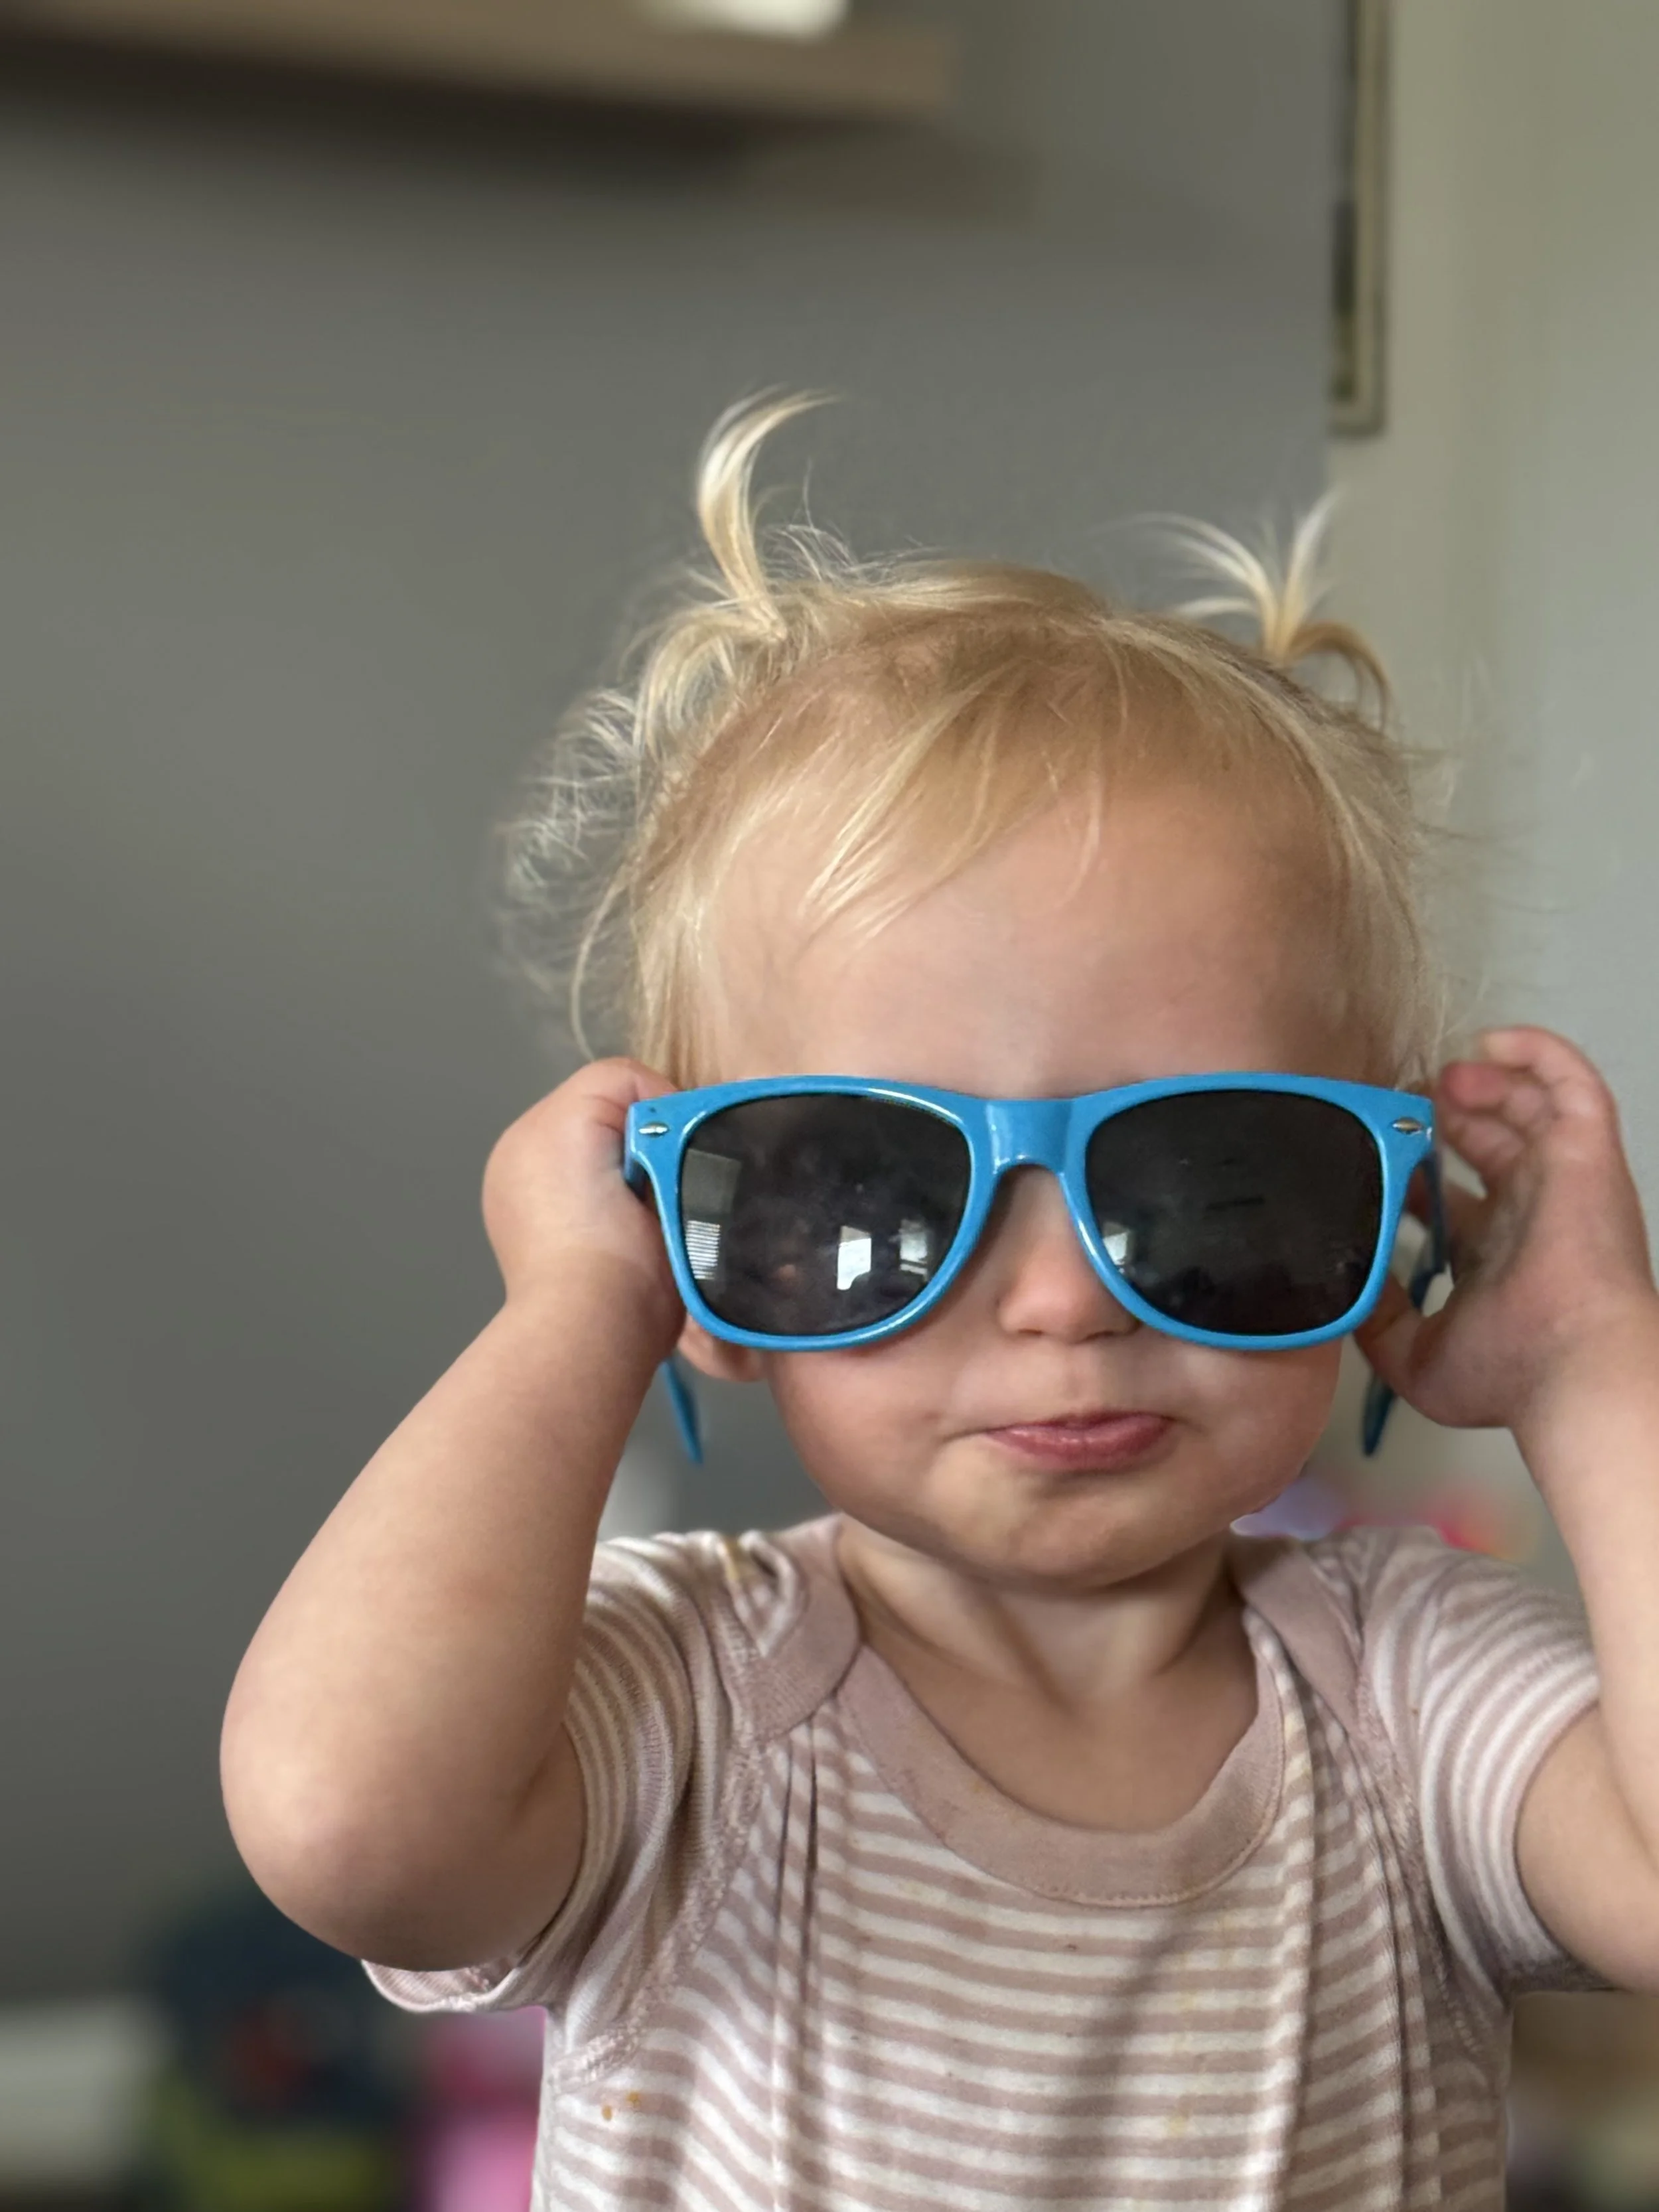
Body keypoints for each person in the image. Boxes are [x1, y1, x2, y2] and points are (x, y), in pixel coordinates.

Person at [221, 396, 1659, 2210]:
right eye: (875, 1190)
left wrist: (1595, 1361)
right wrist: (566, 1320)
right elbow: (348, 1828)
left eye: (1213, 1181)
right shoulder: (691, 1694)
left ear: (1387, 1220)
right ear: (701, 1256)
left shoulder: (1405, 1696)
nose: (1062, 1300)